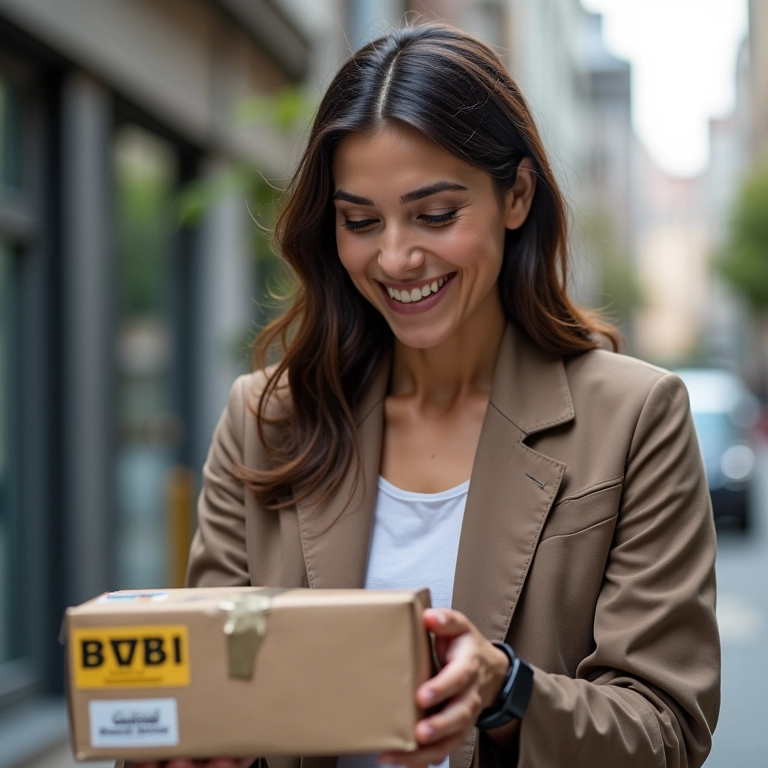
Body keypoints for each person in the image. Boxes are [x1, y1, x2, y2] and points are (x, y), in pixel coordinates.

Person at [131, 21, 720, 768]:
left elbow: (666, 731)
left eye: (436, 215)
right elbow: (215, 697)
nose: (397, 257)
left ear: (517, 197)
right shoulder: (264, 421)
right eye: (360, 222)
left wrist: (509, 693)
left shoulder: (635, 418)